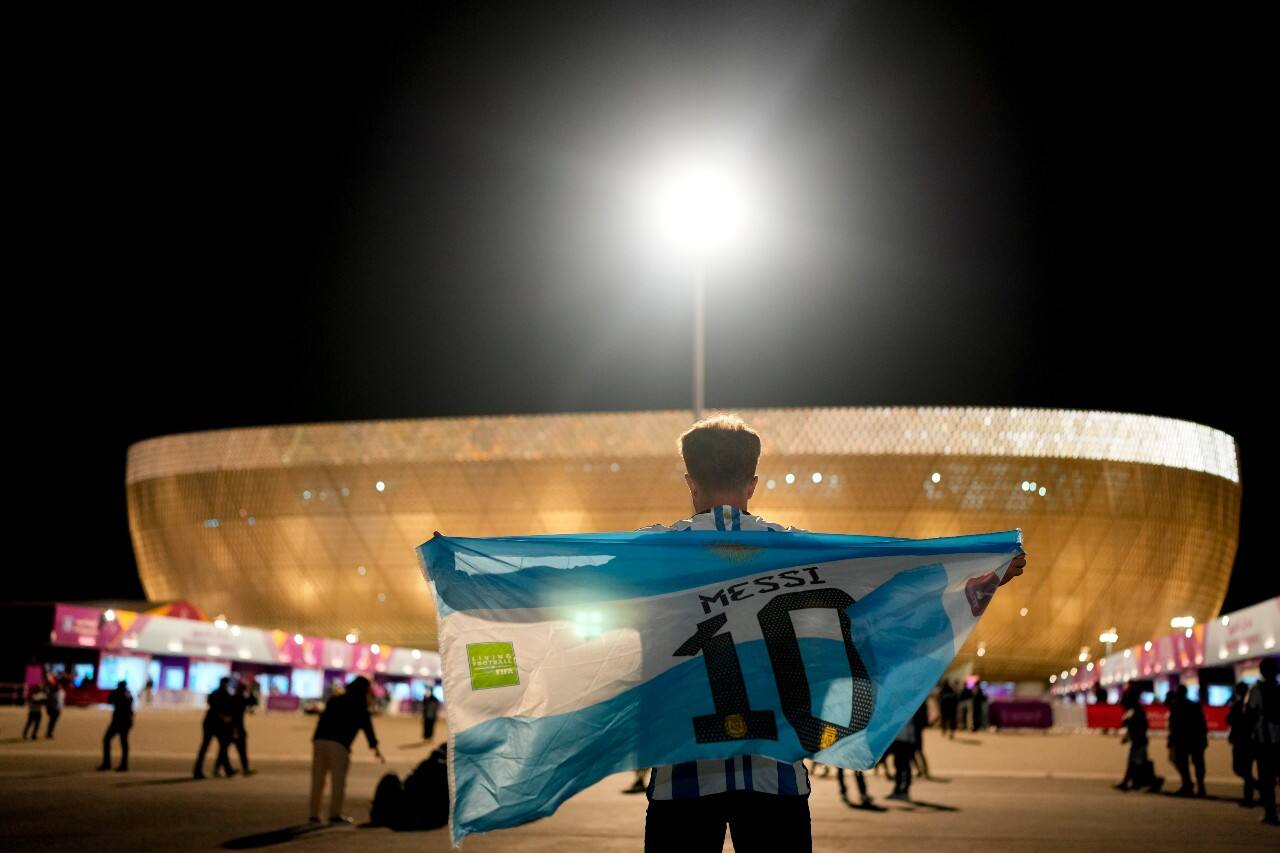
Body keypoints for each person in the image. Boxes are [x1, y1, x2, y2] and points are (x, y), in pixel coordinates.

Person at [640, 416, 1026, 852]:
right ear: (752, 484)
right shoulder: (804, 554)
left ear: (691, 482)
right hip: (777, 775)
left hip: (682, 777)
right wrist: (978, 574)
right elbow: (891, 581)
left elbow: (568, 587)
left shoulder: (649, 555)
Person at [310, 675, 385, 824]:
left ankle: (313, 814)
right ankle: (334, 815)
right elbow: (368, 729)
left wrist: (317, 738)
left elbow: (321, 720)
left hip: (319, 741)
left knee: (318, 781)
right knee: (338, 782)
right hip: (339, 744)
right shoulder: (360, 705)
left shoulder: (335, 700)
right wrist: (375, 748)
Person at [1246, 657, 1280, 825]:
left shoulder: (1256, 689)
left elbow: (1250, 713)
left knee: (1266, 779)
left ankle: (1271, 813)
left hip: (1264, 740)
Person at [1115, 688, 1161, 792]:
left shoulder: (1136, 711)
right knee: (1137, 763)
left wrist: (1130, 737)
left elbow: (1139, 726)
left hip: (1139, 742)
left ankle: (1151, 781)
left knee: (1136, 763)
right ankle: (1133, 782)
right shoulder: (1135, 711)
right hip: (1139, 741)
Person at [1167, 685, 1207, 797]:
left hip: (1183, 740)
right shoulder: (1193, 706)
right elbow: (1202, 724)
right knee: (1197, 764)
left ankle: (1188, 785)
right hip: (1194, 739)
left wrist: (1171, 739)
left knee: (1184, 763)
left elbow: (1173, 725)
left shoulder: (1176, 706)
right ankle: (1199, 787)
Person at [194, 677, 235, 778]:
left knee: (211, 747)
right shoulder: (224, 694)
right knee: (221, 747)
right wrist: (225, 717)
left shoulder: (216, 693)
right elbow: (223, 709)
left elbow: (211, 704)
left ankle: (199, 770)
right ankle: (225, 769)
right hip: (216, 724)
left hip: (211, 723)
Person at [1226, 681, 1257, 807]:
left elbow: (1229, 720)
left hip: (1242, 741)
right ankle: (1253, 793)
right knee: (1245, 769)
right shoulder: (1249, 704)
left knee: (1241, 768)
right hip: (1248, 740)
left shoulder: (1239, 705)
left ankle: (1250, 796)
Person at [98, 680, 133, 772]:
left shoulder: (121, 695)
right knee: (123, 743)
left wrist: (113, 694)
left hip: (119, 722)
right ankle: (123, 764)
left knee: (108, 740)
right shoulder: (128, 694)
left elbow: (110, 701)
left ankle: (109, 763)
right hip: (124, 722)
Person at [886, 718, 916, 801]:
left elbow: (911, 727)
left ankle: (905, 790)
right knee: (897, 764)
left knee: (905, 765)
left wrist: (912, 742)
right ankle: (898, 789)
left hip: (905, 742)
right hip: (898, 741)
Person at [230, 680, 253, 775]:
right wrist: (249, 692)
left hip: (234, 727)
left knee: (224, 749)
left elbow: (252, 702)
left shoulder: (235, 698)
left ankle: (244, 768)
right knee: (241, 749)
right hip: (236, 727)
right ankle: (245, 768)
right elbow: (253, 701)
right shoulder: (239, 699)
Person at [912, 699, 931, 778]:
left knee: (916, 750)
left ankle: (923, 769)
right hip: (916, 728)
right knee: (915, 751)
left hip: (915, 729)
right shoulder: (920, 701)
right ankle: (921, 769)